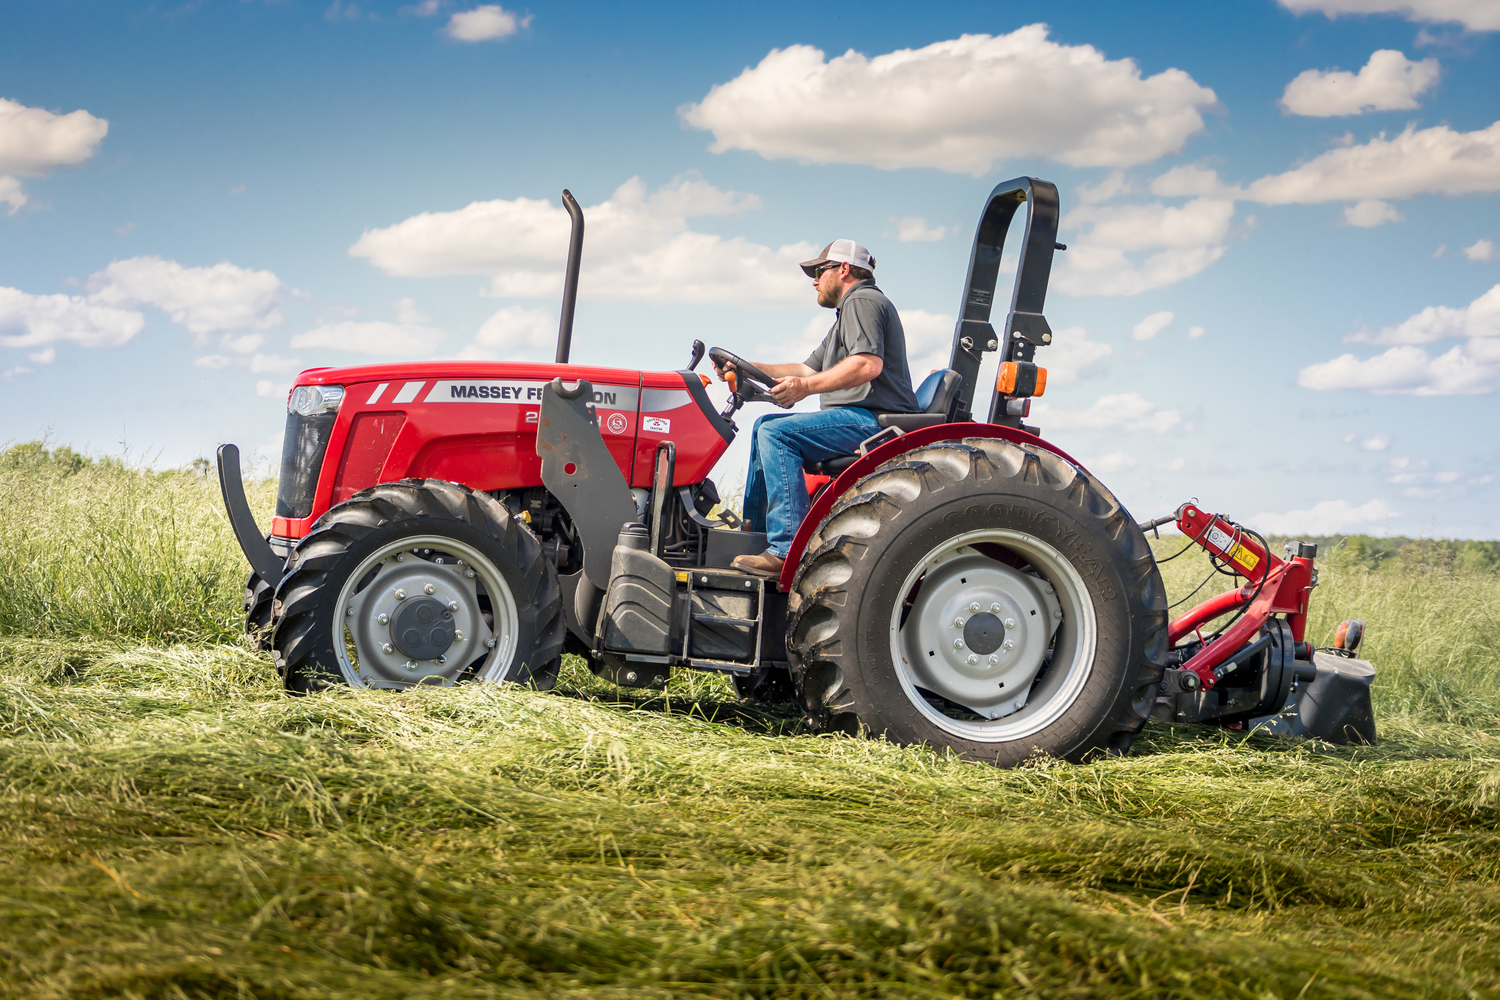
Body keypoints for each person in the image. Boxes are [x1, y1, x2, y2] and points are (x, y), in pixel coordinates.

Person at [714, 239, 918, 576]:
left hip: (872, 421)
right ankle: (754, 538)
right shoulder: (845, 316)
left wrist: (805, 389)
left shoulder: (863, 301)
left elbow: (867, 365)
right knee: (764, 424)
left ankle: (785, 550)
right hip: (858, 417)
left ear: (843, 270)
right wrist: (745, 366)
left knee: (776, 433)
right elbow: (806, 370)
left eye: (819, 271)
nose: (814, 280)